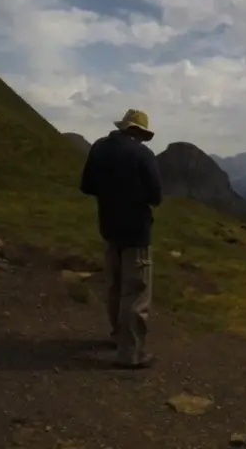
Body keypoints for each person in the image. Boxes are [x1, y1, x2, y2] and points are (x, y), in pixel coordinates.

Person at [80, 109, 162, 370]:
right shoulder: (141, 154)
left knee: (115, 284)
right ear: (138, 131)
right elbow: (155, 196)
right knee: (136, 290)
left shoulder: (100, 148)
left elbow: (87, 186)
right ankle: (131, 353)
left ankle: (117, 336)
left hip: (108, 225)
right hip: (136, 230)